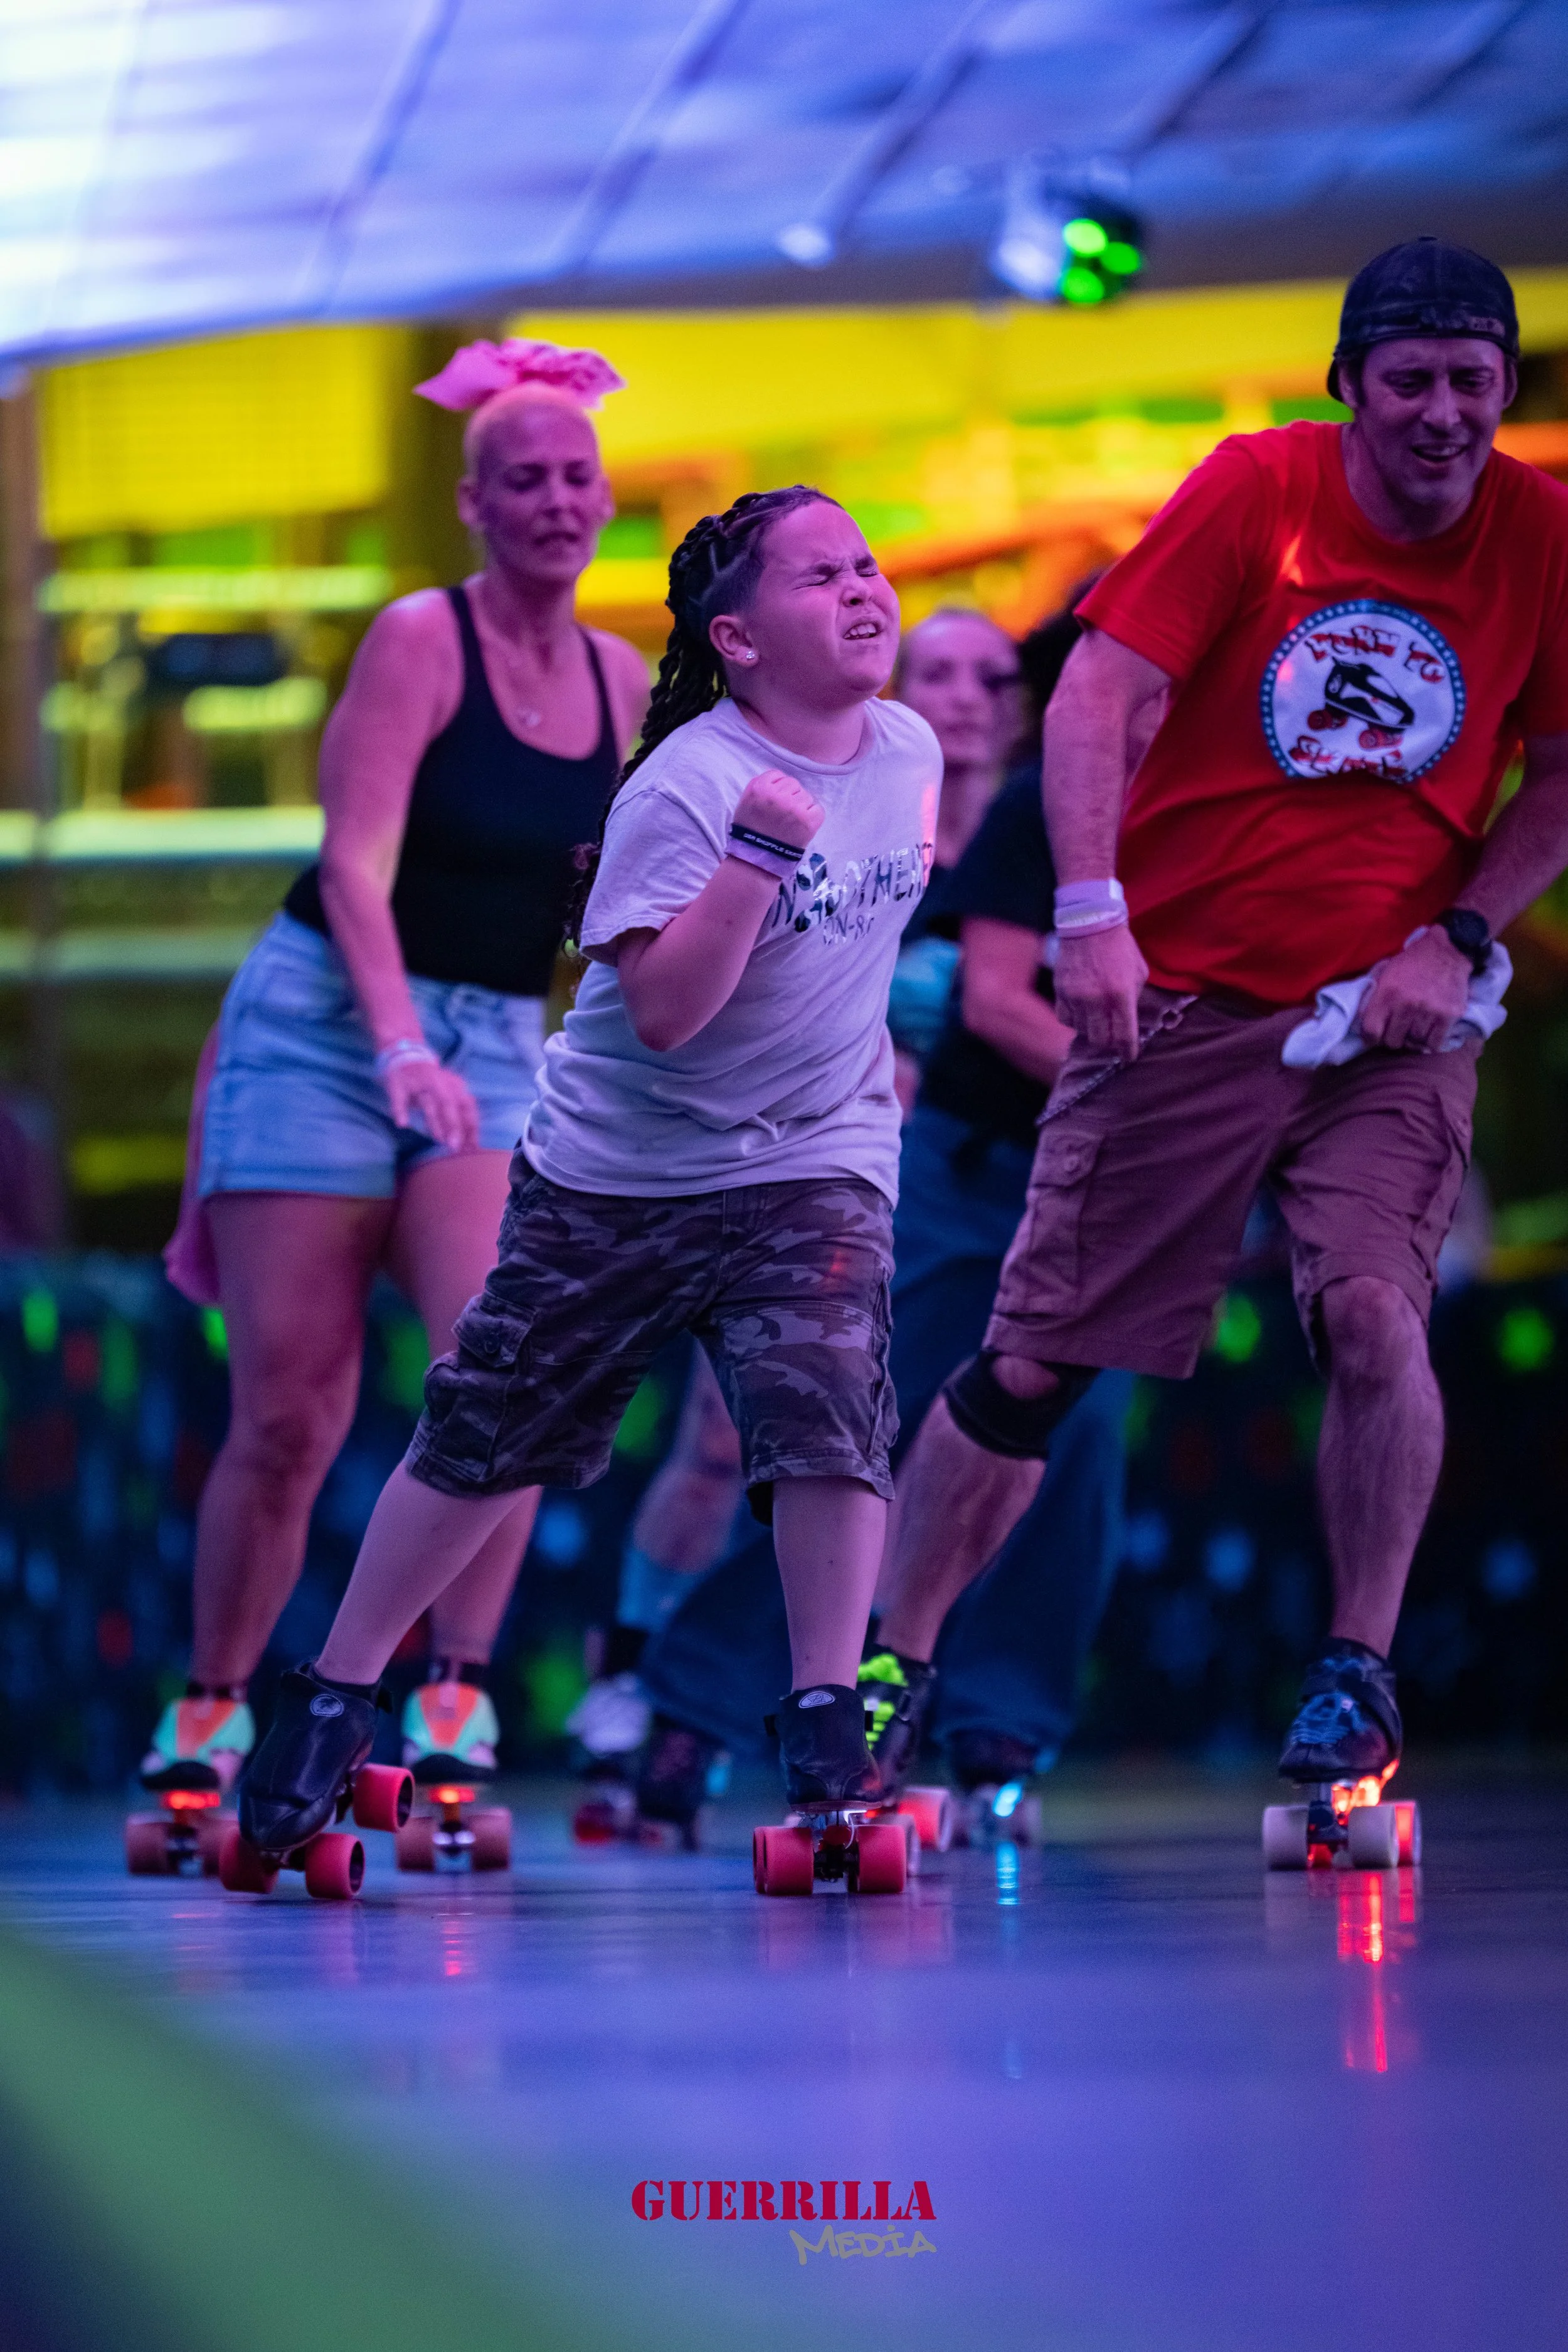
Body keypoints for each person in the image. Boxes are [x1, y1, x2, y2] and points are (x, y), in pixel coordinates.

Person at [875, 238, 1568, 1804]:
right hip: (1185, 994)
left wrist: (1453, 938)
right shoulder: (1257, 490)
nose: (1444, 413)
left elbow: (1562, 767)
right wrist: (1090, 914)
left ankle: (1353, 1676)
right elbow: (1092, 699)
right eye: (1410, 381)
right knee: (1036, 1358)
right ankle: (891, 1670)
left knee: (1372, 1315)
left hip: (1389, 1013)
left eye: (1474, 381)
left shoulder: (1542, 535)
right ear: (1349, 389)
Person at [231, 485, 943, 1859]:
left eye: (867, 568)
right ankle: (333, 1700)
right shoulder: (681, 786)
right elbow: (669, 1014)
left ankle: (819, 1720)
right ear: (734, 637)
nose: (863, 592)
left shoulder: (905, 751)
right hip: (622, 1172)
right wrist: (753, 863)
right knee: (493, 1429)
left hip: (813, 1159)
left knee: (829, 1411)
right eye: (820, 579)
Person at [144, 339, 648, 1810]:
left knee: (500, 1369)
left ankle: (449, 1699)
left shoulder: (627, 680)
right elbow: (351, 872)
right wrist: (393, 1046)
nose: (556, 501)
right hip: (326, 1020)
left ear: (603, 495)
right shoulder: (421, 638)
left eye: (576, 477)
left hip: (490, 1035)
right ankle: (215, 1704)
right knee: (291, 1407)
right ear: (476, 505)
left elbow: (621, 914)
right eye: (524, 482)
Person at [563, 605, 1026, 1836]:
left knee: (919, 1444)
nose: (966, 697)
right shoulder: (852, 789)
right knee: (729, 1445)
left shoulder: (1029, 833)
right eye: (940, 673)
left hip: (938, 1175)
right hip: (779, 1159)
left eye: (991, 676)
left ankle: (893, 1708)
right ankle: (640, 1675)